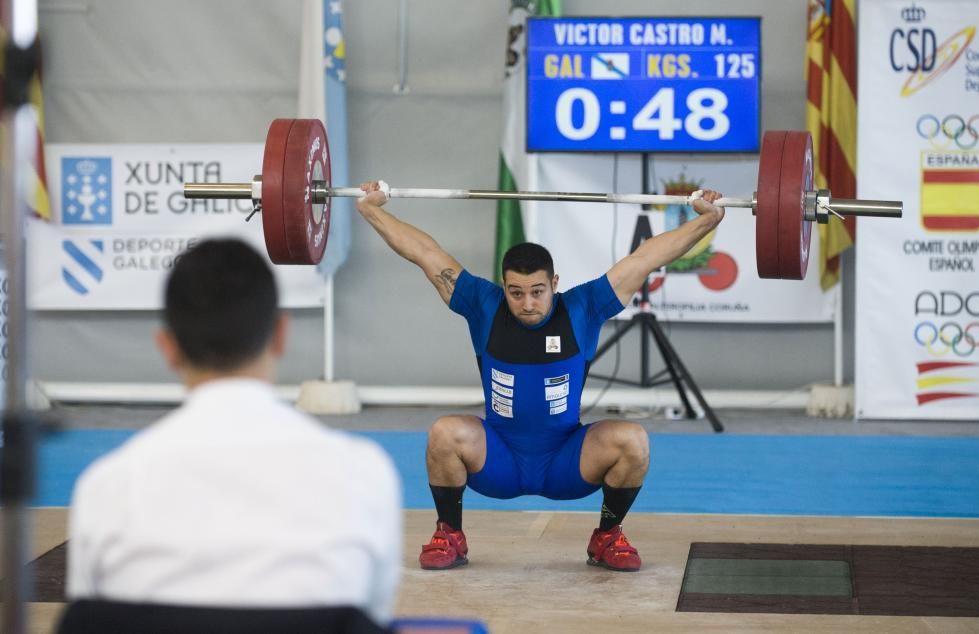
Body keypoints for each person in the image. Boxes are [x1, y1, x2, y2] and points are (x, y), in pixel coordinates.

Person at [355, 181, 725, 572]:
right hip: (497, 457)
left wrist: (706, 221)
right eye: (516, 292)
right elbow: (425, 253)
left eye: (537, 291)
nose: (527, 303)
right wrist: (371, 210)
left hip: (567, 459)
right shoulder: (483, 305)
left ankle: (607, 537)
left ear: (554, 284)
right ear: (504, 287)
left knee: (632, 440)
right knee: (445, 432)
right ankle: (450, 534)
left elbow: (645, 259)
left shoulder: (585, 307)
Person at [66, 238, 402, 627]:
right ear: (281, 334)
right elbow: (374, 615)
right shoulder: (364, 475)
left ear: (168, 348)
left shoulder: (107, 487)